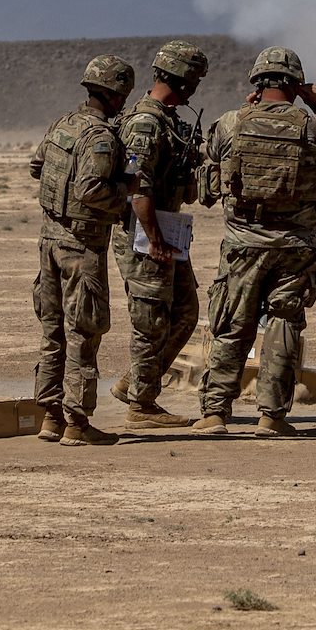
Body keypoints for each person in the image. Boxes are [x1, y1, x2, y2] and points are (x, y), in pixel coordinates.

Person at [194, 47, 316, 437]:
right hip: (295, 248)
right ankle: (272, 416)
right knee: (284, 325)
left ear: (256, 82)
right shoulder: (313, 126)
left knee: (232, 325)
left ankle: (215, 413)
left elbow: (213, 152)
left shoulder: (231, 122)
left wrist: (246, 109)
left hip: (242, 246)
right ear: (296, 84)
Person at [30, 55, 137, 446]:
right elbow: (90, 190)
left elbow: (37, 166)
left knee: (52, 332)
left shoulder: (63, 124)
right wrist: (126, 194)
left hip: (49, 242)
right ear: (113, 94)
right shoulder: (101, 137)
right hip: (81, 248)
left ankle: (50, 417)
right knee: (83, 334)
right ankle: (77, 422)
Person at [107, 40, 209, 429]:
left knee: (185, 311)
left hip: (164, 230)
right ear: (183, 79)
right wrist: (153, 238)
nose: (196, 87)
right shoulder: (146, 122)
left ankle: (136, 383)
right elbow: (139, 188)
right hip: (144, 235)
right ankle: (142, 406)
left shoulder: (168, 120)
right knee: (150, 321)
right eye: (195, 79)